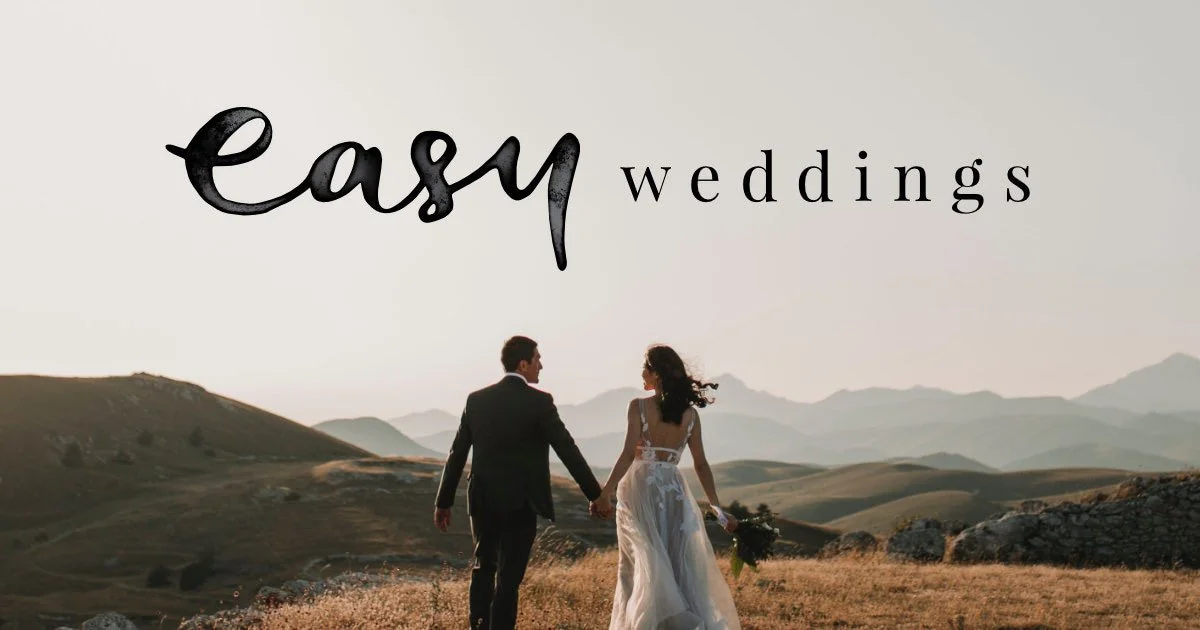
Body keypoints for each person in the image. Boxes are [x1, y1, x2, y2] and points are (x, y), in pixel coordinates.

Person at [434, 335, 610, 630]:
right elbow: (567, 449)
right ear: (523, 363)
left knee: (483, 567)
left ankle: (478, 627)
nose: (541, 365)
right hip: (522, 503)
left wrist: (444, 501)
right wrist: (595, 494)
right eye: (538, 359)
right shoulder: (540, 403)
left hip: (484, 501)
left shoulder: (476, 400)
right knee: (509, 578)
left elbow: (457, 453)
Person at [597, 344, 742, 629]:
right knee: (677, 564)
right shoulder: (690, 415)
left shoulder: (638, 407)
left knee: (637, 563)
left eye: (645, 368)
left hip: (640, 490)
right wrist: (717, 508)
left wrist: (606, 492)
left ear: (657, 374)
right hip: (674, 491)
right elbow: (701, 464)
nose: (642, 373)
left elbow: (628, 454)